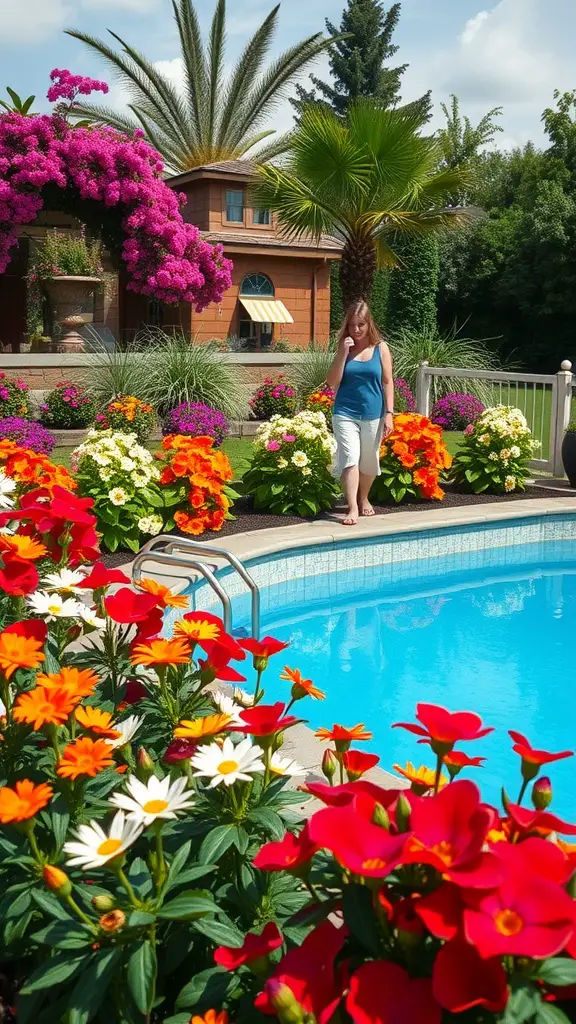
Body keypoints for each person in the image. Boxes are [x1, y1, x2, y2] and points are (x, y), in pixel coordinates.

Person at [327, 300, 394, 526]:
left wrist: (389, 413)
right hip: (345, 413)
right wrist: (343, 352)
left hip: (374, 414)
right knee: (350, 458)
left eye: (361, 325)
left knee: (369, 462)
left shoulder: (381, 348)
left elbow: (387, 381)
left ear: (369, 325)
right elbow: (332, 382)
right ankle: (353, 507)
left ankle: (363, 497)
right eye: (352, 325)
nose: (356, 330)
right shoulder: (344, 349)